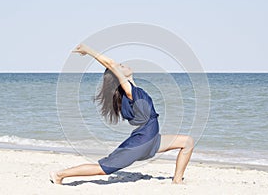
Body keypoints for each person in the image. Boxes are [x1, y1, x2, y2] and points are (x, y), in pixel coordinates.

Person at [49, 44, 194, 185]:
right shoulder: (130, 91)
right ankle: (59, 174)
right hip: (141, 142)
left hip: (152, 138)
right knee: (103, 169)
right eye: (121, 67)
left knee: (187, 142)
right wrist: (88, 50)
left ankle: (177, 180)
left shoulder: (134, 90)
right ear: (118, 76)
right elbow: (111, 64)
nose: (123, 65)